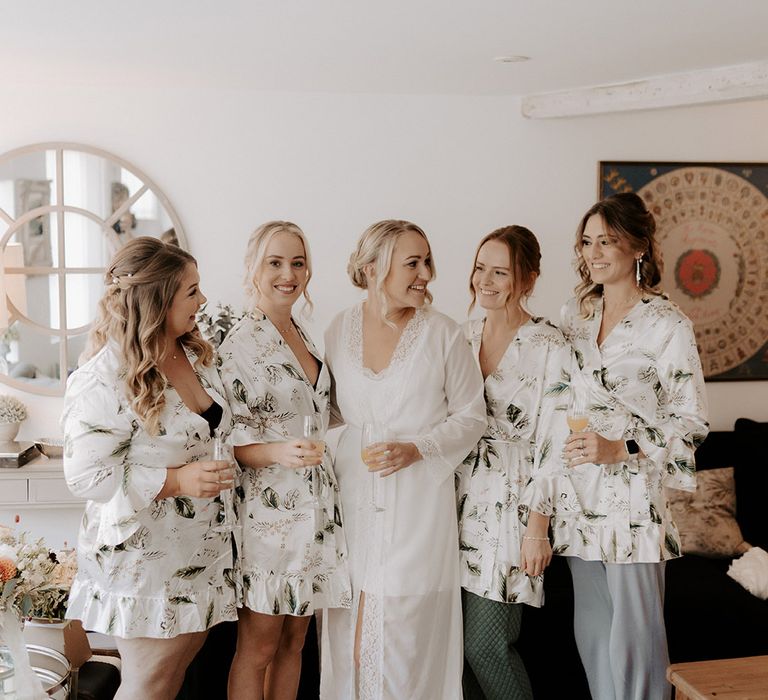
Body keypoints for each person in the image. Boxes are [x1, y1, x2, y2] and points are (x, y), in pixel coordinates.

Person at [61, 237, 237, 700]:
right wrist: (178, 480)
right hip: (143, 560)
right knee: (149, 683)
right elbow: (86, 476)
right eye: (192, 292)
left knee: (172, 677)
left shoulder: (194, 354)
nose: (203, 301)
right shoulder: (104, 376)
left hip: (199, 552)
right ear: (157, 300)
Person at [321, 219, 487, 699]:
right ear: (373, 268)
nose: (426, 274)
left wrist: (417, 449)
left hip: (418, 508)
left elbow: (472, 416)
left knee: (405, 634)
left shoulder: (444, 334)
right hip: (352, 506)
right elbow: (326, 413)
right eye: (412, 262)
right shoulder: (337, 330)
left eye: (427, 261)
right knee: (347, 631)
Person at [554, 192, 709, 700]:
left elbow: (690, 421)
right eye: (587, 241)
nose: (593, 253)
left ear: (638, 247)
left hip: (635, 506)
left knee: (637, 643)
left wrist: (619, 448)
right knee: (593, 636)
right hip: (580, 501)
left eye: (608, 241)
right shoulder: (573, 320)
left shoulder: (667, 325)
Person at [219, 221, 351, 700]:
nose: (288, 274)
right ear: (254, 268)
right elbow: (222, 442)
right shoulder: (238, 345)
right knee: (259, 645)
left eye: (297, 262)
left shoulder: (304, 334)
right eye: (275, 262)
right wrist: (279, 451)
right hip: (269, 515)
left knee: (296, 642)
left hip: (316, 510)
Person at [457, 226, 571, 700]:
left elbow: (556, 442)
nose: (485, 279)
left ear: (528, 279)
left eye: (500, 271)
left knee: (488, 647)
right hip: (451, 504)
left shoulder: (551, 345)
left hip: (511, 511)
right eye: (480, 267)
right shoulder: (459, 335)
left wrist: (537, 526)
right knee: (454, 652)